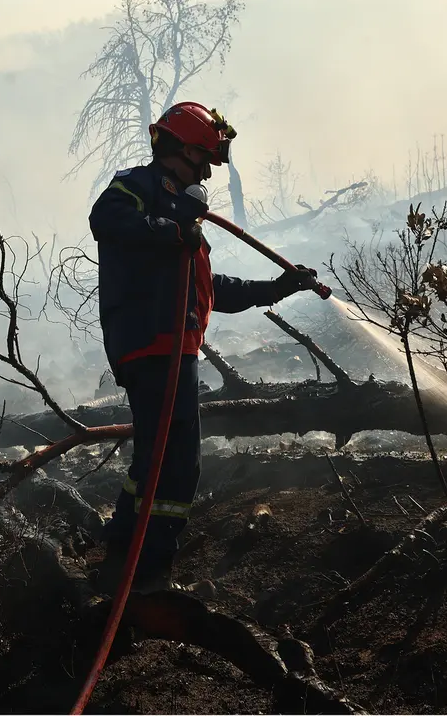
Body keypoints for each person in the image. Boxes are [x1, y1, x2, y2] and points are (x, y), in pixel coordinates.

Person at [88, 102, 317, 592]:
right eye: (204, 161)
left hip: (173, 349)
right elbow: (106, 219)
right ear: (180, 151)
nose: (208, 173)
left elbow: (214, 291)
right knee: (175, 463)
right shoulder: (137, 187)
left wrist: (280, 286)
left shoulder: (184, 223)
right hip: (152, 346)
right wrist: (171, 230)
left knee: (157, 459)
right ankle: (147, 574)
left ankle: (121, 561)